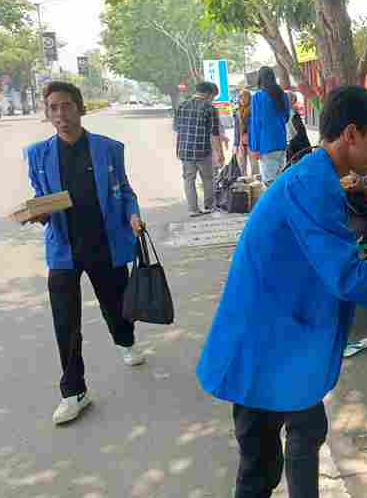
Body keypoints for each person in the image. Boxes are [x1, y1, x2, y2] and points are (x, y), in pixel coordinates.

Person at [196, 86, 367, 498]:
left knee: (307, 428)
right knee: (259, 468)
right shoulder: (313, 185)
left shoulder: (318, 177)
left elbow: (333, 257)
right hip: (264, 340)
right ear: (351, 134)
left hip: (284, 331)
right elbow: (346, 277)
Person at [24, 81, 147, 426]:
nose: (61, 115)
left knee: (115, 303)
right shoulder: (38, 154)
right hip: (63, 248)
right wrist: (39, 213)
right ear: (48, 114)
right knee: (65, 320)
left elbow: (125, 192)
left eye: (66, 106)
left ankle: (125, 340)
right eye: (53, 108)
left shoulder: (108, 149)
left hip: (105, 242)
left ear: (80, 108)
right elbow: (41, 198)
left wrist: (133, 214)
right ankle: (74, 390)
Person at [174, 81, 225, 217]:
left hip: (185, 150)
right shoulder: (209, 108)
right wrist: (220, 153)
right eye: (213, 96)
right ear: (208, 94)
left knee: (188, 179)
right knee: (208, 178)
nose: (212, 99)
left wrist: (178, 148)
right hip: (203, 151)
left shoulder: (182, 106)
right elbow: (214, 134)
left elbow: (178, 130)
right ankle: (209, 207)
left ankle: (193, 209)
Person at [249, 66, 290, 185]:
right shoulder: (282, 95)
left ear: (260, 79)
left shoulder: (258, 97)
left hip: (266, 144)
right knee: (280, 180)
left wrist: (254, 147)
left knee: (269, 183)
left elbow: (256, 123)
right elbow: (286, 117)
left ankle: (275, 204)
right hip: (281, 142)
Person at [234, 89, 254, 175]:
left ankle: (256, 185)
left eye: (245, 97)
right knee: (241, 165)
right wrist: (236, 144)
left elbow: (255, 126)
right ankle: (244, 184)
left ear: (249, 98)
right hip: (241, 142)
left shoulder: (253, 110)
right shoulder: (237, 111)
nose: (242, 99)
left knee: (254, 166)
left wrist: (248, 135)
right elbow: (236, 129)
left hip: (252, 141)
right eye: (240, 97)